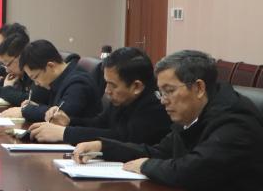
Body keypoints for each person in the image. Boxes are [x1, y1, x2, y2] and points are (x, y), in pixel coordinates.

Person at [73, 50, 263, 191]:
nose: (163, 100)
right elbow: (159, 152)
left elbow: (191, 170)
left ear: (199, 88)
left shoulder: (235, 123)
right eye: (161, 92)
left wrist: (146, 165)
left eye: (169, 91)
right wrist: (103, 147)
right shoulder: (193, 113)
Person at [29, 47, 169, 145]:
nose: (107, 90)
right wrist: (68, 122)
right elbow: (100, 123)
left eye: (113, 85)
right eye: (106, 83)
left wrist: (64, 133)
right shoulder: (122, 98)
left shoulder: (155, 105)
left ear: (136, 86)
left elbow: (123, 138)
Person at [3, 39, 100, 123]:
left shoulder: (77, 83)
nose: (36, 83)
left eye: (36, 77)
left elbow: (59, 116)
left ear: (50, 66)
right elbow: (53, 109)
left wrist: (25, 111)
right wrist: (37, 107)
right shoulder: (60, 79)